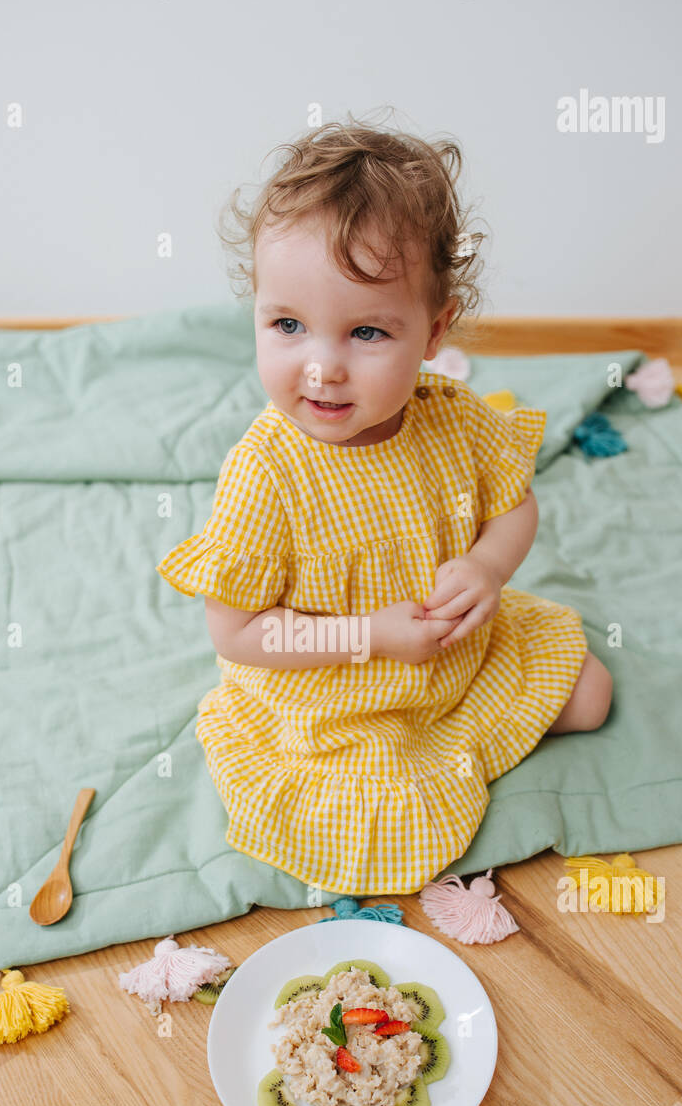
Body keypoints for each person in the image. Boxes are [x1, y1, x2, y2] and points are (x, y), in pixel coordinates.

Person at [156, 117, 612, 896]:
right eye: (288, 326)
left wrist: (487, 565)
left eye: (366, 330)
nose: (322, 368)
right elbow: (238, 633)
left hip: (457, 655)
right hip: (332, 688)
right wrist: (372, 636)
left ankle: (462, 732)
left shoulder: (455, 418)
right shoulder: (266, 474)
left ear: (432, 333)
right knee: (371, 828)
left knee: (593, 694)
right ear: (257, 315)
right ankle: (427, 754)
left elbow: (514, 509)